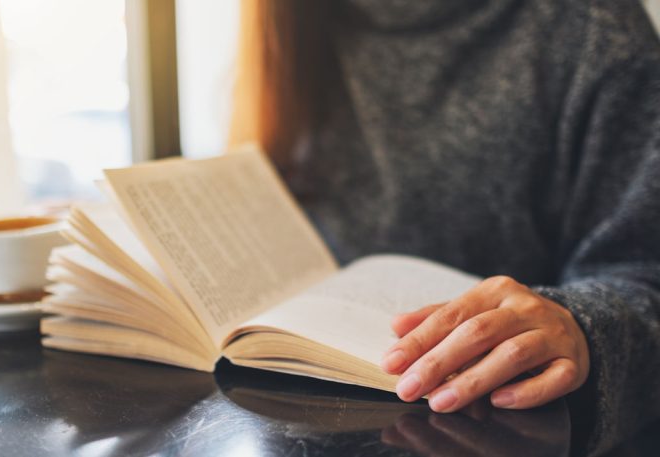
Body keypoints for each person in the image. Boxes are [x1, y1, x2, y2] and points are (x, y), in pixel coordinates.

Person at [229, 0, 660, 455]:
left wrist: (579, 325)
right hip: (298, 408)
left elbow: (646, 275)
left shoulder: (592, 27)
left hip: (495, 424)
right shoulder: (287, 19)